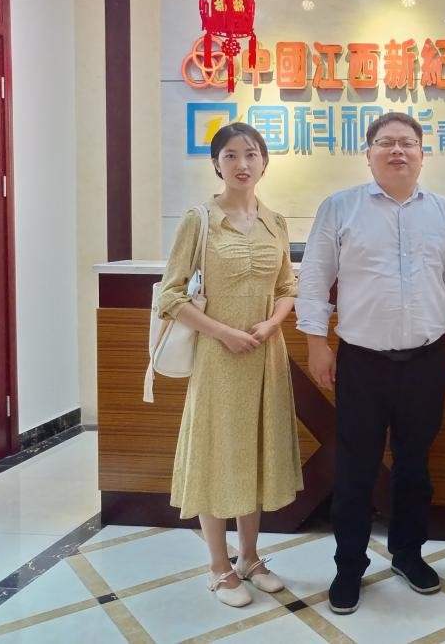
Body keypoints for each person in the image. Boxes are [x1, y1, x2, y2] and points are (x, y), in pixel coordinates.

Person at [296, 112, 445, 615]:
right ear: (368, 152)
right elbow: (314, 280)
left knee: (415, 467)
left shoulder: (443, 212)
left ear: (422, 154)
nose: (398, 151)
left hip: (426, 361)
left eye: (408, 143)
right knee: (355, 470)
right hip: (362, 364)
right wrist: (316, 345)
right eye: (387, 142)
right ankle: (349, 566)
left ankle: (408, 555)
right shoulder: (340, 207)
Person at [157, 122, 302, 608]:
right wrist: (223, 332)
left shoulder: (275, 221)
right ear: (216, 163)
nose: (243, 163)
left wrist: (273, 323)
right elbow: (171, 296)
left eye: (252, 154)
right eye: (232, 155)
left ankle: (250, 558)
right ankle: (219, 566)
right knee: (218, 455)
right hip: (218, 359)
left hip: (265, 355)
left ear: (264, 162)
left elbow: (287, 287)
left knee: (255, 453)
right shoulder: (199, 220)